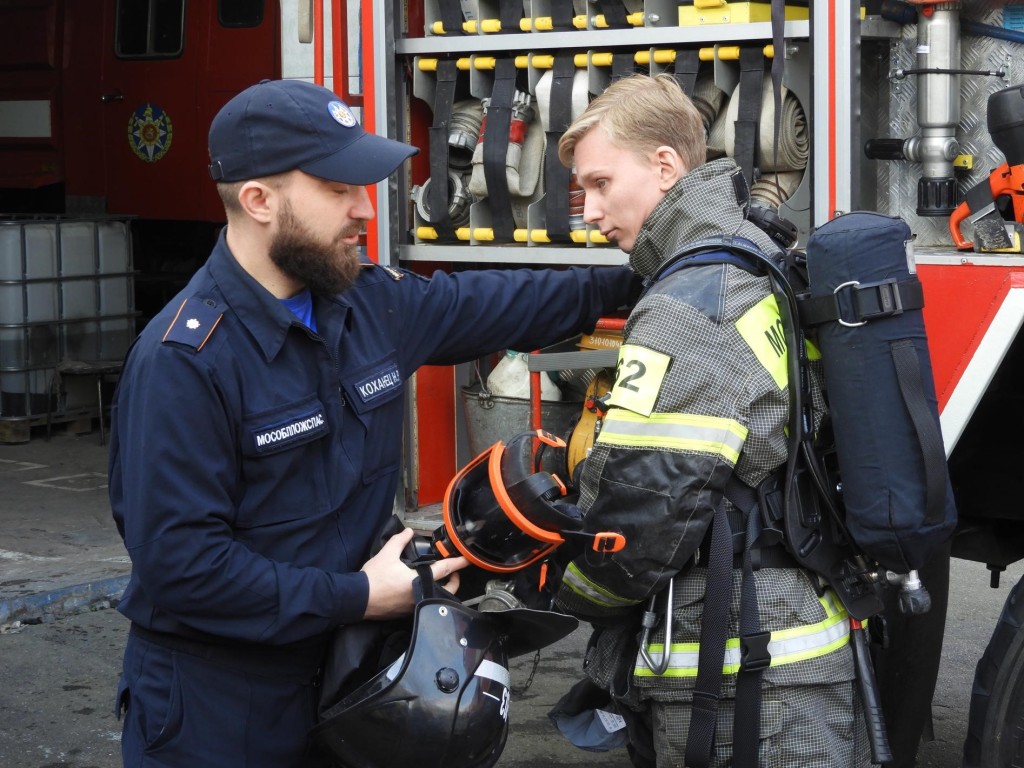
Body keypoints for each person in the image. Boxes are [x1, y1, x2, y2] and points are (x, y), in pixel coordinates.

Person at [108, 78, 634, 768]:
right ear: (259, 201)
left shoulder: (364, 305)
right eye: (337, 189)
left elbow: (513, 300)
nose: (364, 208)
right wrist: (359, 596)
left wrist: (663, 266)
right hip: (219, 707)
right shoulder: (184, 362)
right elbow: (185, 571)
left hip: (350, 679)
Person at [551, 74, 871, 767]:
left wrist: (565, 592)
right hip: (783, 645)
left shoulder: (689, 304)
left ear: (665, 165)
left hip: (740, 673)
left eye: (602, 183)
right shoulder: (754, 255)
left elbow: (640, 511)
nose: (590, 211)